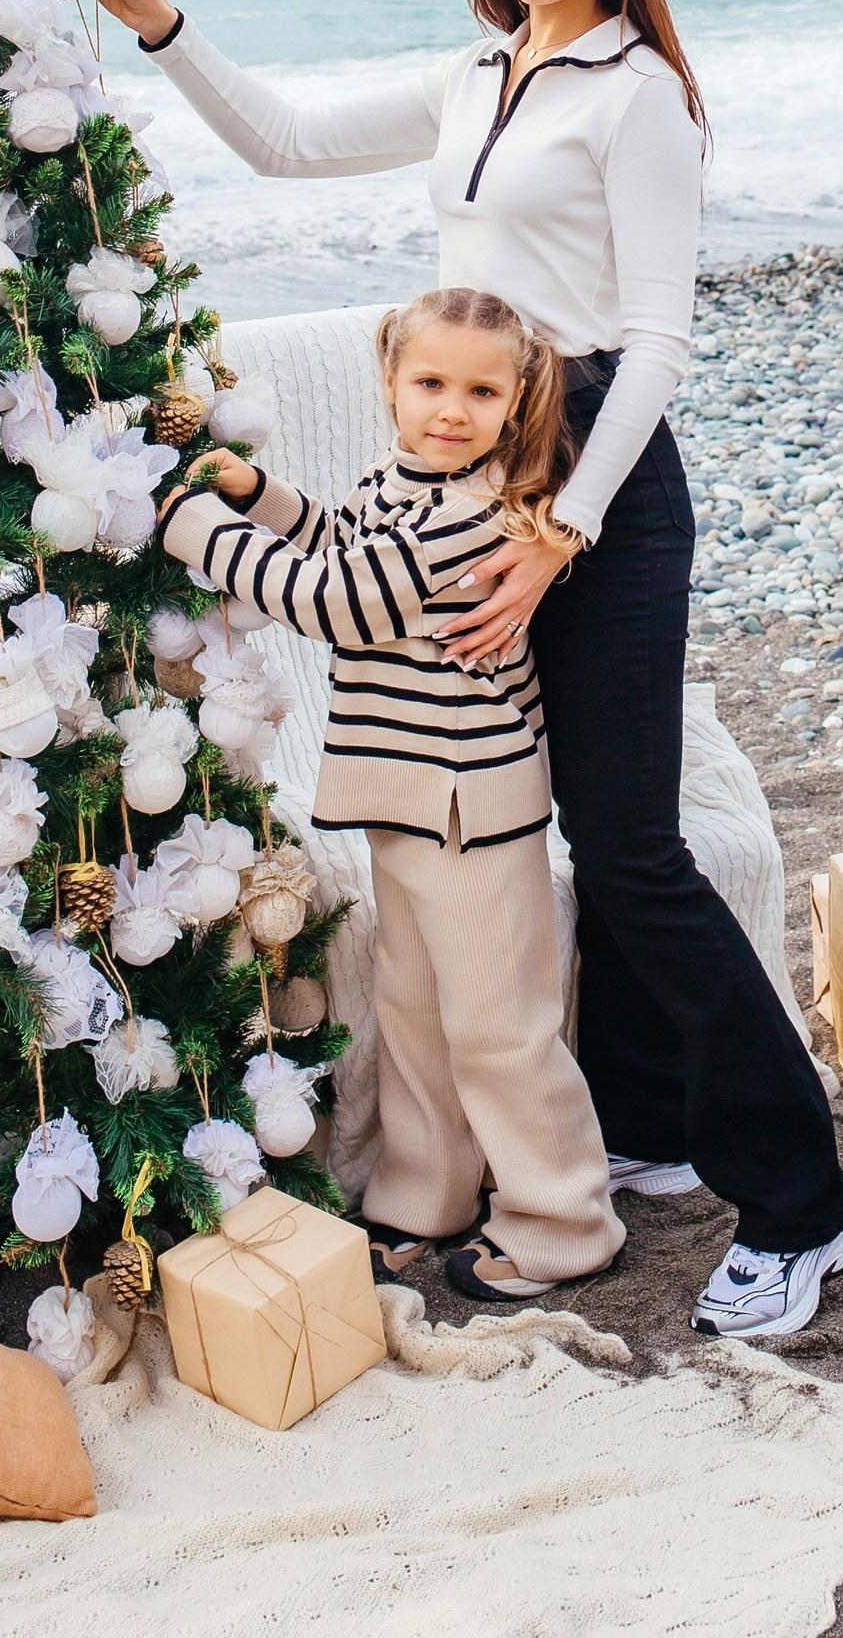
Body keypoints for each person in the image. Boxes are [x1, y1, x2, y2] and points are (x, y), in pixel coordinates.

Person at [74, 0, 843, 1337]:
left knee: (630, 842)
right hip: (468, 482)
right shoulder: (471, 77)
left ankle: (800, 1202)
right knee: (570, 816)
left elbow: (655, 341)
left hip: (595, 495)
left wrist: (560, 526)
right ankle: (638, 1122)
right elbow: (286, 140)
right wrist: (157, 18)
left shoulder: (637, 96)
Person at [158, 286, 625, 1302]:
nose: (451, 409)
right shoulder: (400, 482)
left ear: (515, 403)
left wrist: (197, 530)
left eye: (479, 391)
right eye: (430, 383)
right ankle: (427, 1195)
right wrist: (258, 493)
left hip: (471, 805)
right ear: (391, 385)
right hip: (404, 796)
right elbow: (340, 539)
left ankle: (563, 1220)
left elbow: (340, 601)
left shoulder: (474, 510)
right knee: (415, 1008)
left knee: (499, 1023)